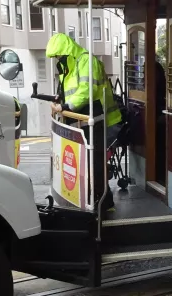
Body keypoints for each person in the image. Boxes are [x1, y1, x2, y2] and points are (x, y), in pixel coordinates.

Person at [46, 32, 122, 211]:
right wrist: (60, 99)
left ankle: (102, 201)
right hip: (84, 119)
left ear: (66, 51)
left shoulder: (87, 61)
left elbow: (86, 91)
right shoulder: (69, 66)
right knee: (87, 161)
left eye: (58, 55)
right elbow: (69, 91)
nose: (57, 59)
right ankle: (94, 198)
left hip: (100, 119)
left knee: (94, 160)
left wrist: (65, 106)